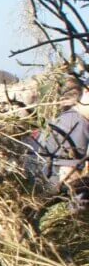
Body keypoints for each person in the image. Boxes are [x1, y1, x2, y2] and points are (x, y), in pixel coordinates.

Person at [33, 77, 89, 211]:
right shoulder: (75, 124)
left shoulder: (71, 119)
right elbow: (71, 182)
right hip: (61, 211)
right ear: (87, 92)